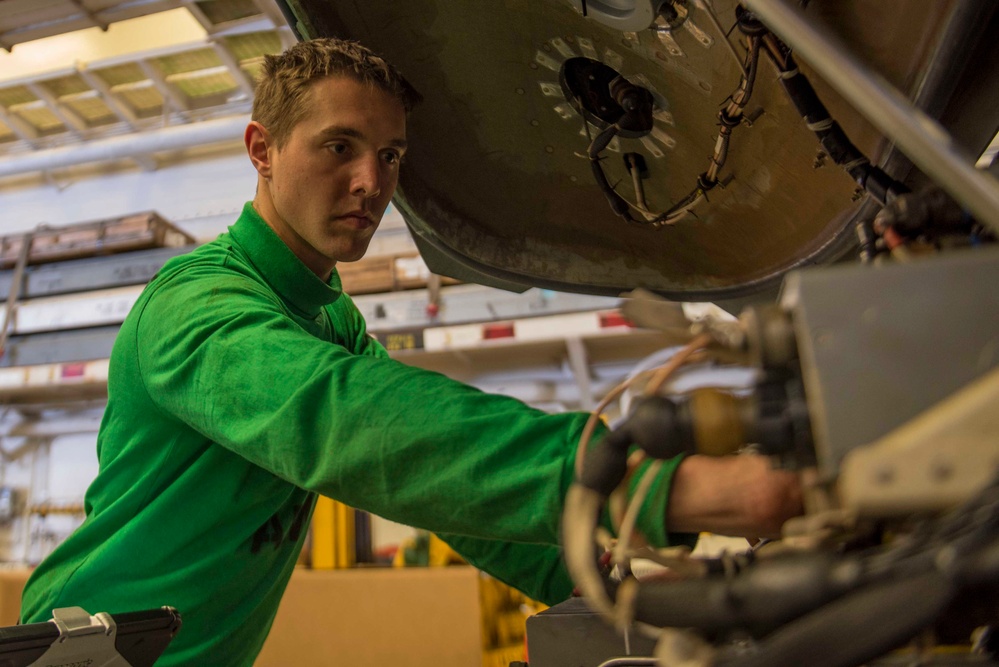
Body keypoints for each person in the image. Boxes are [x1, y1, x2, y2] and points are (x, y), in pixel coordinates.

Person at [19, 38, 802, 665]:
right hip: (94, 652)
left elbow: (434, 489)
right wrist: (647, 483)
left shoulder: (328, 317)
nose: (370, 181)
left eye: (390, 155)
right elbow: (351, 423)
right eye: (338, 146)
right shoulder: (197, 304)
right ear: (261, 149)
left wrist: (604, 575)